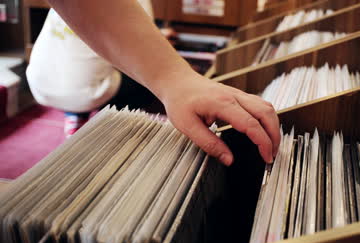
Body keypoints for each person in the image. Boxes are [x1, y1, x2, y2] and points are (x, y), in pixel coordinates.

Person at [41, 0, 280, 167]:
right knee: (136, 82)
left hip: (41, 82)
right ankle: (124, 124)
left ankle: (75, 115)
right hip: (93, 89)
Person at [27, 0, 155, 137]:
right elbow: (143, 48)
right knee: (149, 78)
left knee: (80, 62)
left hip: (39, 84)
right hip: (83, 92)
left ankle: (76, 115)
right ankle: (117, 124)